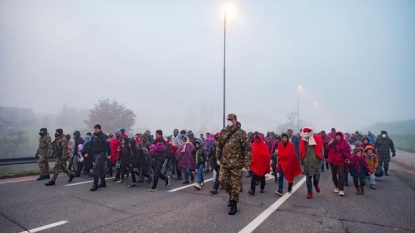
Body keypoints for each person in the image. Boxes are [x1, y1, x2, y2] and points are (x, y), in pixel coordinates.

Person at [216, 114, 251, 215]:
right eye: (228, 119)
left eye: (231, 119)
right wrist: (218, 157)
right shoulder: (224, 131)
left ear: (235, 120)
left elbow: (247, 149)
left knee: (235, 184)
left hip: (236, 164)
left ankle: (234, 203)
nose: (229, 121)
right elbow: (219, 145)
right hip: (225, 162)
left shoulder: (241, 133)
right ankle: (231, 195)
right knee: (222, 181)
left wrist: (246, 164)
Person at [299, 127, 323, 199]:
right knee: (308, 179)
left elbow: (321, 151)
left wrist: (318, 160)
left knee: (316, 178)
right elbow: (301, 151)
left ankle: (316, 185)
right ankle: (310, 192)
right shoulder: (303, 141)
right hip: (307, 163)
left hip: (316, 163)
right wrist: (302, 160)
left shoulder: (317, 140)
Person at [86, 124, 111, 191]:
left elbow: (108, 145)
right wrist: (88, 152)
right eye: (95, 128)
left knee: (96, 167)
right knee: (101, 168)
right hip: (95, 153)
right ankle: (103, 182)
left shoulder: (104, 136)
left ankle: (95, 184)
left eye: (97, 128)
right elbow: (90, 145)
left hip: (101, 153)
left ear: (100, 129)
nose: (95, 130)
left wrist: (109, 154)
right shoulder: (93, 136)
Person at [327, 131, 351, 197]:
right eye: (337, 136)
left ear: (341, 136)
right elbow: (326, 149)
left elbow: (347, 151)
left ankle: (341, 189)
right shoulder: (332, 142)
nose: (338, 137)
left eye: (339, 136)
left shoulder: (345, 143)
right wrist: (329, 144)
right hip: (332, 161)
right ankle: (336, 186)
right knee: (334, 175)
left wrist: (347, 159)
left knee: (341, 175)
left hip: (341, 162)